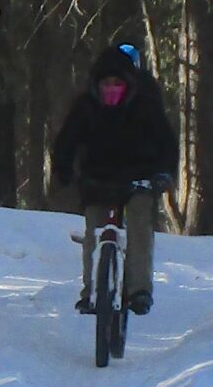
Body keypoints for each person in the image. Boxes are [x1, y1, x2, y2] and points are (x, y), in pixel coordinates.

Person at [49, 41, 177, 314]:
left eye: (117, 83)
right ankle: (91, 291)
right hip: (98, 178)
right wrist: (63, 169)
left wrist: (163, 173)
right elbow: (66, 141)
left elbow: (166, 142)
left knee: (140, 225)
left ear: (128, 83)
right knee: (93, 233)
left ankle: (139, 289)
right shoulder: (85, 107)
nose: (111, 89)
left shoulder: (145, 106)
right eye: (105, 83)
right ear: (96, 84)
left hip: (138, 179)